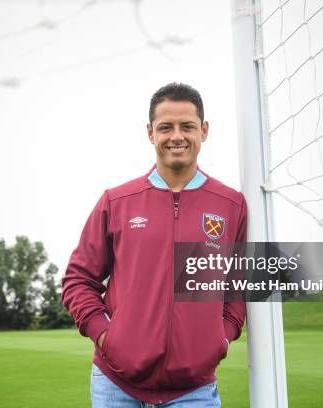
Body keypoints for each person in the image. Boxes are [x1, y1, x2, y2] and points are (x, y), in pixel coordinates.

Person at [61, 83, 247, 407]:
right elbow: (78, 279)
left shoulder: (231, 205)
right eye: (166, 127)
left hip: (194, 390)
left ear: (204, 130)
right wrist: (105, 336)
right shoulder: (117, 201)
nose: (177, 136)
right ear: (150, 133)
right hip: (116, 385)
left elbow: (239, 284)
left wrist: (222, 338)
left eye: (187, 126)